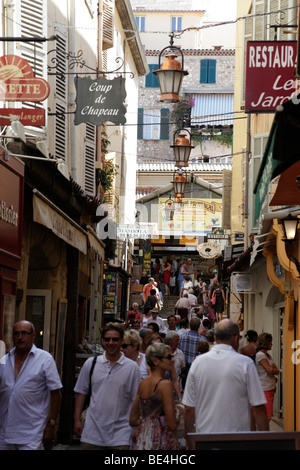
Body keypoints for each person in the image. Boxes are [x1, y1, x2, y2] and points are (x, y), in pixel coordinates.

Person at [183, 319, 269, 444]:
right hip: (237, 438)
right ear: (235, 338)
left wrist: (189, 441)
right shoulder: (245, 363)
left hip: (205, 438)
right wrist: (266, 441)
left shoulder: (198, 363)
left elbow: (189, 409)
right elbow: (258, 407)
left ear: (214, 337)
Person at [74, 323, 141, 450]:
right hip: (92, 434)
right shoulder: (91, 364)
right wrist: (77, 419)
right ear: (103, 341)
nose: (111, 343)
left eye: (115, 339)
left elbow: (136, 401)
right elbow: (81, 393)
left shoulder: (132, 368)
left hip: (120, 436)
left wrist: (136, 427)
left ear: (121, 341)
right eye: (107, 339)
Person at [0, 321, 62, 450]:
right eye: (16, 334)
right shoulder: (4, 360)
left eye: (24, 333)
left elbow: (56, 394)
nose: (20, 337)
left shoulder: (45, 359)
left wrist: (51, 425)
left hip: (32, 434)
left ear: (33, 335)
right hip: (4, 432)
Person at [129, 343, 180, 450]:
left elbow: (132, 419)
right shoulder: (165, 385)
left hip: (143, 439)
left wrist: (148, 422)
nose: (172, 360)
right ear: (155, 361)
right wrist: (178, 415)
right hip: (161, 440)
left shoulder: (143, 383)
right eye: (169, 357)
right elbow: (172, 424)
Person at [255, 332, 279, 422]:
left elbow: (277, 371)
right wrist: (273, 369)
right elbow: (269, 370)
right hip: (265, 388)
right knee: (267, 416)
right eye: (270, 342)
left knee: (267, 415)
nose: (272, 344)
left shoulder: (268, 356)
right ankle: (263, 433)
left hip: (269, 387)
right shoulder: (261, 355)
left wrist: (273, 370)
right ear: (266, 343)